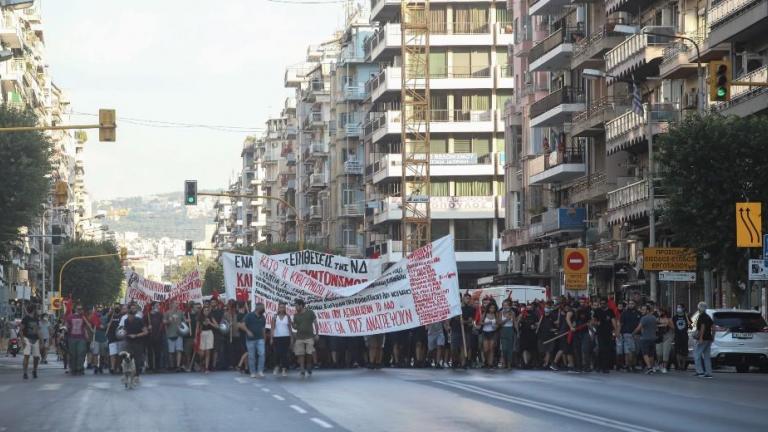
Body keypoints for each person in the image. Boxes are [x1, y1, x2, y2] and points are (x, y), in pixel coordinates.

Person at [292, 298, 318, 378]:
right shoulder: (295, 315)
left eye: (296, 306)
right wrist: (292, 324)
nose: (295, 308)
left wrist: (317, 334)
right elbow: (295, 327)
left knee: (309, 353)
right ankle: (302, 369)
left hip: (309, 336)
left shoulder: (310, 312)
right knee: (300, 354)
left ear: (301, 305)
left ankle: (309, 365)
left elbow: (315, 323)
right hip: (299, 337)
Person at [66, 305, 93, 375]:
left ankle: (80, 368)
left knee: (81, 353)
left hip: (81, 338)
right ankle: (73, 368)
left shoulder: (83, 317)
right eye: (79, 309)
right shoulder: (70, 317)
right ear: (76, 309)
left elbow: (87, 326)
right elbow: (66, 325)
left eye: (81, 309)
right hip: (72, 338)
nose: (80, 310)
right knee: (73, 354)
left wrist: (87, 334)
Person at [124, 303, 148, 379]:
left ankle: (137, 374)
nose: (129, 317)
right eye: (128, 315)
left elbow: (145, 332)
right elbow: (125, 331)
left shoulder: (139, 320)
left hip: (138, 342)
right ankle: (129, 373)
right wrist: (123, 333)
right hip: (128, 342)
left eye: (131, 316)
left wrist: (136, 335)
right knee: (128, 358)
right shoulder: (125, 321)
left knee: (138, 359)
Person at [243, 302, 267, 378]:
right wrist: (247, 331)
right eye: (262, 308)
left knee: (262, 354)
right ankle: (252, 372)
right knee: (251, 356)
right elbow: (241, 324)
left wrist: (264, 338)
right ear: (258, 308)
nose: (264, 309)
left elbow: (263, 328)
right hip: (250, 339)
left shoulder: (263, 317)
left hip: (260, 339)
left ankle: (260, 371)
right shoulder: (249, 315)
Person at [593, 298, 617, 373]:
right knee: (601, 349)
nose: (602, 305)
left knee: (607, 350)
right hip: (600, 333)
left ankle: (605, 367)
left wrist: (615, 330)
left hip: (608, 333)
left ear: (607, 303)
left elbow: (613, 321)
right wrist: (597, 323)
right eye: (601, 303)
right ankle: (598, 366)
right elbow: (593, 320)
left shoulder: (610, 311)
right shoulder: (597, 311)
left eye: (604, 303)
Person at [617, 300, 641, 371]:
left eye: (632, 304)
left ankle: (633, 364)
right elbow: (620, 323)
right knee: (629, 350)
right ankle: (628, 365)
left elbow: (641, 324)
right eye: (629, 304)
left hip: (637, 334)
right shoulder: (624, 313)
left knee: (635, 350)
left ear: (635, 304)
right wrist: (618, 332)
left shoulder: (638, 313)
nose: (631, 305)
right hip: (627, 333)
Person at [634, 304, 658, 374]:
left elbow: (639, 328)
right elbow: (656, 328)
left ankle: (649, 367)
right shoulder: (654, 318)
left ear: (647, 311)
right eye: (641, 309)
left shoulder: (644, 318)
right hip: (653, 338)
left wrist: (633, 333)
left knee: (645, 353)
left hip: (645, 338)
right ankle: (651, 367)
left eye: (643, 310)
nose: (642, 311)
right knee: (651, 354)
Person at [271, 302, 293, 376]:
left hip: (286, 337)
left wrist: (291, 338)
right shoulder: (275, 317)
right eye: (280, 307)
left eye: (283, 307)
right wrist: (271, 338)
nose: (282, 309)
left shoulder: (288, 317)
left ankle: (284, 369)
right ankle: (276, 367)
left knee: (285, 353)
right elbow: (272, 328)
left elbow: (290, 328)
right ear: (278, 308)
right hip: (277, 337)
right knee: (277, 353)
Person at [693, 302, 713, 378]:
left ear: (700, 308)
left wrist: (701, 337)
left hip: (703, 338)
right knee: (707, 356)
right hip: (709, 338)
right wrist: (713, 336)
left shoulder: (702, 316)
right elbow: (713, 326)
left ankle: (700, 372)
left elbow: (702, 327)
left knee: (697, 354)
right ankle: (708, 373)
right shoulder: (708, 316)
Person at [21, 304, 41, 379]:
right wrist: (22, 339)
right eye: (36, 309)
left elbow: (38, 331)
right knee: (27, 356)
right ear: (34, 310)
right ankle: (25, 372)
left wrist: (41, 340)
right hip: (27, 338)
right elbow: (20, 330)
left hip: (35, 339)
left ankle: (34, 370)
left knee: (36, 357)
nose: (37, 311)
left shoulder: (36, 319)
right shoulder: (26, 319)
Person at [164, 302, 184, 372]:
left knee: (179, 350)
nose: (177, 304)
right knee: (171, 352)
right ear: (171, 304)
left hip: (179, 334)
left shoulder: (181, 312)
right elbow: (164, 322)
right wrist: (168, 321)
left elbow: (184, 321)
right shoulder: (167, 313)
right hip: (170, 334)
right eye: (175, 303)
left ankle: (178, 366)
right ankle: (172, 366)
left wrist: (187, 321)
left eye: (177, 303)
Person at [197, 304, 217, 373]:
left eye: (207, 310)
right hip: (202, 333)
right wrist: (196, 337)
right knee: (202, 353)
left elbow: (217, 326)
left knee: (208, 351)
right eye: (205, 310)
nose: (206, 311)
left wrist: (210, 323)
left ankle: (206, 368)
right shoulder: (200, 318)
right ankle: (201, 362)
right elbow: (197, 328)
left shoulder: (211, 317)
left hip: (209, 333)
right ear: (202, 311)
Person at [146, 302, 165, 372]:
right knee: (150, 352)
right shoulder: (147, 315)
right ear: (152, 306)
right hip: (149, 336)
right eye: (157, 305)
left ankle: (157, 367)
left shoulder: (160, 314)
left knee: (158, 352)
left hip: (158, 335)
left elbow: (162, 324)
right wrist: (148, 327)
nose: (159, 306)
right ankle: (151, 367)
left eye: (159, 305)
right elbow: (143, 324)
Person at [499, 299, 517, 369]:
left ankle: (509, 363)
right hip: (503, 330)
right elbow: (500, 323)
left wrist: (517, 331)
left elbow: (515, 322)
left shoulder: (513, 313)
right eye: (503, 305)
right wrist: (507, 319)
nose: (505, 307)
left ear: (509, 306)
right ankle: (504, 362)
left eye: (506, 305)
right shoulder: (500, 312)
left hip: (510, 330)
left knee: (510, 349)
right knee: (504, 348)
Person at [480, 302, 500, 368]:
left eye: (494, 308)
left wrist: (496, 326)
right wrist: (486, 323)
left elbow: (498, 323)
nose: (492, 309)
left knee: (491, 348)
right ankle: (486, 360)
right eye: (491, 308)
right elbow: (480, 322)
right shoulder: (485, 314)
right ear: (488, 308)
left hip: (493, 332)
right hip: (485, 332)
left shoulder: (496, 314)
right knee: (486, 349)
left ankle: (490, 363)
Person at [672, 304, 691, 371]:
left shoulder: (686, 316)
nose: (678, 308)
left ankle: (683, 365)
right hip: (677, 336)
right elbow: (672, 326)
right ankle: (679, 365)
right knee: (677, 351)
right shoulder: (675, 317)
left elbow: (690, 326)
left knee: (684, 351)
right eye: (677, 307)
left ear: (683, 308)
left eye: (680, 307)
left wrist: (686, 316)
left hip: (684, 336)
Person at [655, 307, 674, 373]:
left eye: (661, 312)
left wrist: (668, 324)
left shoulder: (669, 319)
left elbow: (674, 328)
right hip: (659, 337)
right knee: (659, 353)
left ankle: (664, 367)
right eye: (658, 312)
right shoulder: (657, 319)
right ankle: (659, 364)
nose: (659, 313)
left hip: (667, 337)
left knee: (665, 353)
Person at [106, 306, 122, 374]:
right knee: (112, 354)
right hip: (111, 337)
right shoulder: (110, 316)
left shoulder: (121, 317)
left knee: (119, 354)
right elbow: (106, 324)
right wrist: (108, 324)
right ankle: (112, 367)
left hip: (119, 338)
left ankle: (118, 367)